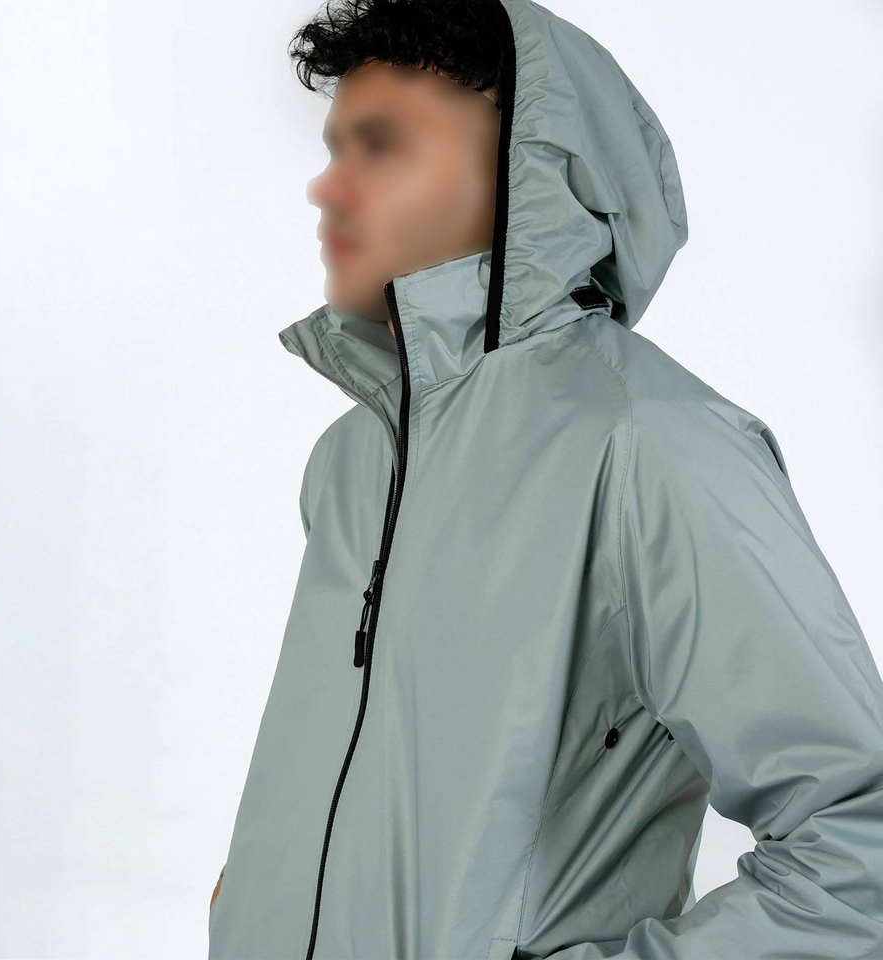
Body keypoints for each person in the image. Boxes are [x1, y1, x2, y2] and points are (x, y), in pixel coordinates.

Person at [209, 1, 883, 958]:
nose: (327, 187)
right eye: (333, 148)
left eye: (381, 145)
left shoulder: (651, 443)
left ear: (532, 175)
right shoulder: (353, 459)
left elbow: (857, 843)